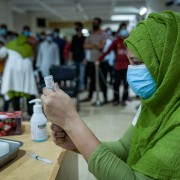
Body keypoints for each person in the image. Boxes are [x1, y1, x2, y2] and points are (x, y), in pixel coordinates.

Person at [41, 11, 180, 179]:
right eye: (129, 62)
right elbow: (124, 149)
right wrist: (76, 142)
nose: (132, 71)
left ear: (169, 61)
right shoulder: (154, 102)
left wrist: (71, 121)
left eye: (137, 63)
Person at [99, 23, 129, 106]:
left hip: (127, 66)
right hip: (118, 66)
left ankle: (124, 100)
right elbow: (108, 51)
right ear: (119, 31)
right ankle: (116, 99)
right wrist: (99, 59)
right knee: (116, 83)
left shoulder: (129, 41)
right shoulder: (115, 41)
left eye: (124, 29)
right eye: (121, 29)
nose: (123, 31)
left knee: (126, 83)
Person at [83, 17, 106, 103]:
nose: (94, 24)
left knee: (102, 80)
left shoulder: (102, 34)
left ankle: (105, 98)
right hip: (91, 61)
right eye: (93, 22)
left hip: (100, 61)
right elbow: (85, 45)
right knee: (91, 80)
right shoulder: (91, 34)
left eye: (96, 22)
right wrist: (96, 45)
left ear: (99, 24)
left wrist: (91, 45)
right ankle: (90, 96)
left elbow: (102, 46)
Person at [70, 22, 86, 91]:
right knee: (74, 74)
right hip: (74, 59)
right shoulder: (74, 37)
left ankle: (81, 87)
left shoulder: (84, 38)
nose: (76, 28)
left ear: (80, 27)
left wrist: (85, 59)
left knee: (82, 75)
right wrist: (70, 59)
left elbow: (86, 50)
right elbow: (71, 49)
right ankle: (75, 87)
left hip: (82, 59)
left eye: (77, 26)